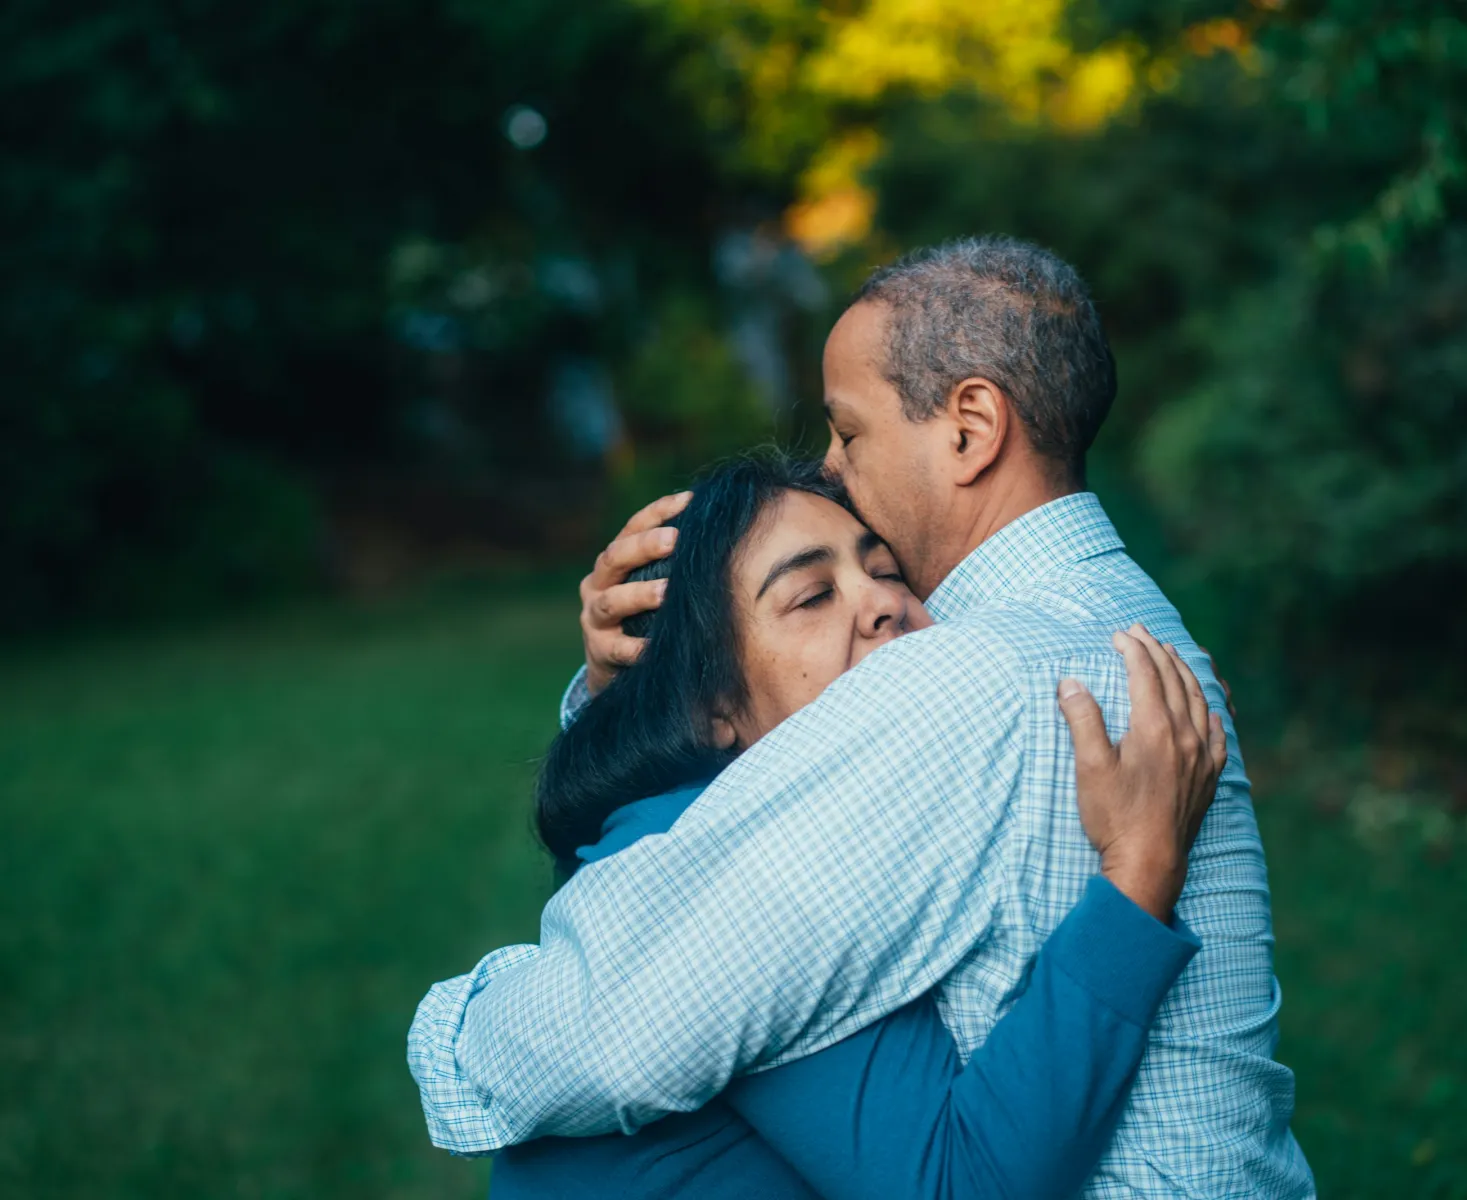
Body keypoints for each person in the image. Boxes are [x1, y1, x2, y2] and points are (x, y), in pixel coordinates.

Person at [410, 237, 1315, 1196]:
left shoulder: (969, 675)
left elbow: (618, 1025)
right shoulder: (1125, 622)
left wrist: (456, 1032)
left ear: (970, 426)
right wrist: (632, 687)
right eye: (811, 594)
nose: (835, 470)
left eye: (849, 432)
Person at [490, 453, 1222, 1198]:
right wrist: (1139, 873)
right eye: (812, 596)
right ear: (709, 708)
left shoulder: (749, 810)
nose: (880, 602)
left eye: (888, 571)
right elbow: (960, 1182)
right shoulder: (747, 877)